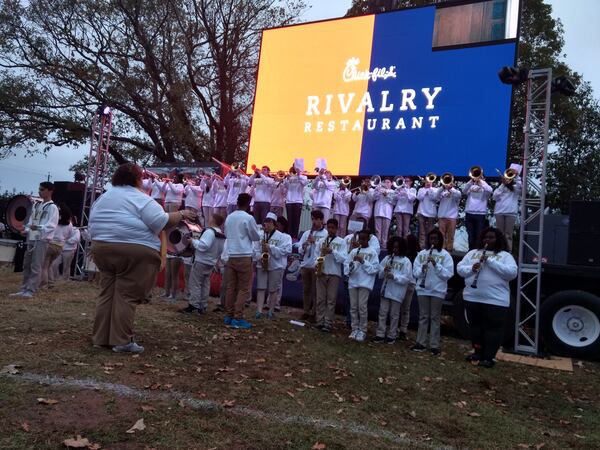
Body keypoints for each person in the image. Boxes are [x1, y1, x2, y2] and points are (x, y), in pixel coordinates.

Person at [89, 163, 196, 353]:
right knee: (126, 294)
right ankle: (121, 341)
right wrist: (182, 214)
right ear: (138, 179)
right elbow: (160, 221)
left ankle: (101, 338)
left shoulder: (104, 197)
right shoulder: (140, 198)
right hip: (132, 250)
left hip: (101, 247)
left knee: (108, 292)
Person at [457, 227, 518, 368]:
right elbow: (460, 269)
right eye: (485, 237)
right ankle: (478, 352)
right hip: (472, 297)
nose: (487, 240)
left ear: (498, 239)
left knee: (493, 328)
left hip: (495, 300)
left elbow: (512, 273)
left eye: (491, 237)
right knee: (475, 327)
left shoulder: (505, 255)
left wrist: (490, 262)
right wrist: (472, 268)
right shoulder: (472, 253)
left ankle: (489, 357)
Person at [10, 182, 59, 298]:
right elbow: (31, 221)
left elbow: (51, 225)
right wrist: (26, 229)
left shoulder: (53, 207)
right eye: (39, 189)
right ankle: (24, 288)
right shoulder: (37, 205)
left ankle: (31, 290)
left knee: (36, 265)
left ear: (50, 191)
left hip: (42, 238)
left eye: (42, 189)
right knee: (27, 263)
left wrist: (38, 227)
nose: (40, 191)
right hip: (32, 236)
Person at [411, 229, 454, 355]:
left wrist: (436, 265)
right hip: (423, 289)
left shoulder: (445, 255)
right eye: (431, 238)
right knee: (423, 316)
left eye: (435, 238)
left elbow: (448, 274)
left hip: (437, 290)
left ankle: (434, 345)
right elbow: (415, 273)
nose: (433, 241)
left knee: (435, 317)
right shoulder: (422, 254)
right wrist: (422, 269)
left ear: (440, 240)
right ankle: (421, 343)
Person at [223, 193, 261, 329]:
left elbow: (226, 233)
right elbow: (255, 236)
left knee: (231, 287)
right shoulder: (248, 217)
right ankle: (238, 317)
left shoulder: (229, 217)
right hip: (244, 254)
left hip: (232, 253)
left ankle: (228, 315)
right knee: (244, 288)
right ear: (248, 204)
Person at [181, 214, 226, 314]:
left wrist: (193, 241)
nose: (209, 220)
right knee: (205, 284)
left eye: (211, 218)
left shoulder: (210, 232)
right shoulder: (221, 234)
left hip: (201, 260)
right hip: (211, 262)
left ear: (213, 221)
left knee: (195, 283)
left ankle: (194, 305)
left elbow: (204, 245)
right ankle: (203, 305)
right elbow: (221, 250)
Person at [373, 236, 412, 344]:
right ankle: (380, 334)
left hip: (397, 292)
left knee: (394, 315)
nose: (395, 249)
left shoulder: (406, 261)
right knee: (382, 312)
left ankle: (392, 335)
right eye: (393, 247)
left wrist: (394, 277)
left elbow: (407, 278)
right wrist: (384, 270)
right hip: (385, 289)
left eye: (397, 248)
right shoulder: (388, 258)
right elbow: (379, 272)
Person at [254, 212, 292, 319]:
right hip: (262, 264)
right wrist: (259, 256)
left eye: (269, 222)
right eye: (265, 221)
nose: (266, 224)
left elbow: (286, 251)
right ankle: (259, 310)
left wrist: (270, 247)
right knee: (261, 287)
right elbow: (255, 249)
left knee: (273, 289)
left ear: (274, 224)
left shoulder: (284, 237)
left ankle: (271, 310)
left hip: (276, 265)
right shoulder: (260, 235)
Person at [344, 229, 379, 342]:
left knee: (362, 307)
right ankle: (354, 329)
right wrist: (351, 266)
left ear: (368, 239)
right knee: (353, 307)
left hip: (365, 283)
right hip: (353, 282)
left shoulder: (372, 252)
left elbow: (374, 269)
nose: (362, 241)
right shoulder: (354, 251)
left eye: (364, 238)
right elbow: (346, 266)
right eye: (360, 238)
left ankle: (362, 330)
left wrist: (363, 262)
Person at [314, 218, 347, 332]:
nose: (331, 230)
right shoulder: (321, 241)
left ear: (337, 229)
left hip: (334, 273)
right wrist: (317, 265)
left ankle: (328, 323)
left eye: (333, 228)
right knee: (320, 298)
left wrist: (332, 251)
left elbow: (344, 259)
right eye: (329, 227)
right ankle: (320, 321)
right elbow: (316, 255)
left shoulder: (341, 242)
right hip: (322, 271)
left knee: (331, 299)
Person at [297, 210, 327, 321]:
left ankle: (314, 313)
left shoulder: (325, 234)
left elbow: (323, 249)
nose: (314, 221)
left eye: (316, 219)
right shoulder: (306, 233)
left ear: (321, 220)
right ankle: (306, 311)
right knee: (306, 290)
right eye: (312, 219)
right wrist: (304, 246)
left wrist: (315, 242)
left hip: (316, 265)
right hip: (305, 264)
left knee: (316, 291)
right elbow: (299, 249)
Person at [398, 234, 420, 341]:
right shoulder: (403, 255)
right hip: (401, 282)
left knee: (405, 307)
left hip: (409, 283)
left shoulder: (417, 256)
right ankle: (399, 329)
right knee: (401, 307)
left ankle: (403, 330)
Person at [493, 173, 522, 252]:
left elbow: (520, 186)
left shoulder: (515, 188)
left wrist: (517, 176)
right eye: (506, 178)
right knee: (499, 234)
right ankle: (499, 250)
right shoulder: (500, 187)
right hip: (499, 212)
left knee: (508, 234)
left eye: (509, 178)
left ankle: (508, 252)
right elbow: (494, 197)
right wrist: (503, 184)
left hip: (511, 213)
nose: (507, 179)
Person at [462, 175, 492, 250]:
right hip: (469, 213)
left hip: (480, 214)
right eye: (477, 177)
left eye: (480, 177)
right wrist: (471, 181)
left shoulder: (485, 188)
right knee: (471, 235)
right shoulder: (471, 186)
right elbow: (464, 191)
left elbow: (490, 190)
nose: (478, 178)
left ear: (484, 179)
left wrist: (481, 182)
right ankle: (470, 251)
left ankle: (478, 250)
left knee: (479, 234)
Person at [52, 215, 80, 280]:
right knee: (54, 264)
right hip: (59, 248)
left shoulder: (75, 229)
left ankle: (65, 280)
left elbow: (76, 239)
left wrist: (66, 240)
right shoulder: (60, 227)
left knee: (66, 267)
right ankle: (55, 278)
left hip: (69, 250)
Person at [283, 166, 308, 239]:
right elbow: (286, 186)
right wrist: (287, 179)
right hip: (289, 201)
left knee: (296, 221)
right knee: (289, 221)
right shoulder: (289, 177)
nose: (295, 169)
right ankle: (289, 237)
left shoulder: (303, 177)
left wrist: (299, 174)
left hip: (298, 201)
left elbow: (304, 183)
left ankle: (294, 238)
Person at [437, 180, 461, 252]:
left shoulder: (456, 192)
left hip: (452, 217)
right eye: (447, 182)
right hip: (442, 216)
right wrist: (442, 187)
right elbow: (435, 196)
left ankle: (449, 250)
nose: (448, 184)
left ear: (453, 184)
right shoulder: (442, 192)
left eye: (450, 183)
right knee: (441, 235)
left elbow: (458, 196)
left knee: (450, 235)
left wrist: (451, 188)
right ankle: (442, 249)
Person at [416, 178, 439, 249]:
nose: (428, 183)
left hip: (431, 213)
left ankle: (429, 246)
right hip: (421, 212)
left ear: (432, 182)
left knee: (430, 231)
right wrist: (425, 192)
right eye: (426, 182)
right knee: (422, 231)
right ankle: (421, 246)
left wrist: (430, 190)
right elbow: (419, 198)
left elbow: (435, 199)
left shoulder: (435, 189)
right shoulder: (421, 189)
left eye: (429, 182)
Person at [373, 179, 395, 245]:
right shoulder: (380, 189)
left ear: (391, 184)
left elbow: (393, 202)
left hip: (387, 212)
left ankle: (384, 244)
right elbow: (374, 198)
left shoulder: (393, 191)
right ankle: (377, 244)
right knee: (377, 230)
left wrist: (386, 195)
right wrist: (377, 190)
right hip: (378, 211)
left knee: (385, 230)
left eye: (388, 182)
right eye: (385, 182)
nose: (386, 183)